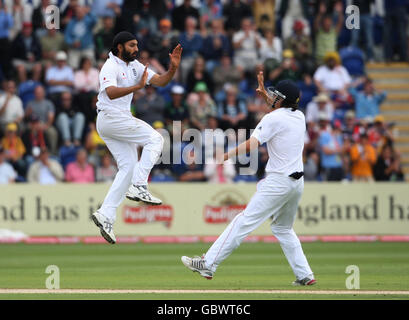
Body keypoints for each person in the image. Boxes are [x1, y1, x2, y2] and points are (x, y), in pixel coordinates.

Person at [181, 74, 316, 286]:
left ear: (280, 100)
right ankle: (305, 274)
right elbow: (278, 114)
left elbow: (253, 143)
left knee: (242, 221)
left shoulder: (272, 118)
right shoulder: (299, 116)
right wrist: (265, 96)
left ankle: (208, 263)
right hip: (296, 184)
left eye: (274, 96)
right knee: (282, 229)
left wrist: (225, 156)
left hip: (278, 182)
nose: (270, 97)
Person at [92, 31, 182, 244]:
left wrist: (173, 68)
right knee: (157, 138)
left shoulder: (135, 66)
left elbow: (160, 81)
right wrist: (138, 87)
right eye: (132, 45)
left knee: (129, 167)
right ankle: (139, 185)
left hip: (113, 121)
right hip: (111, 117)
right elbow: (111, 93)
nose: (136, 49)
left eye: (137, 45)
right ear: (119, 47)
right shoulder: (110, 66)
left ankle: (106, 214)